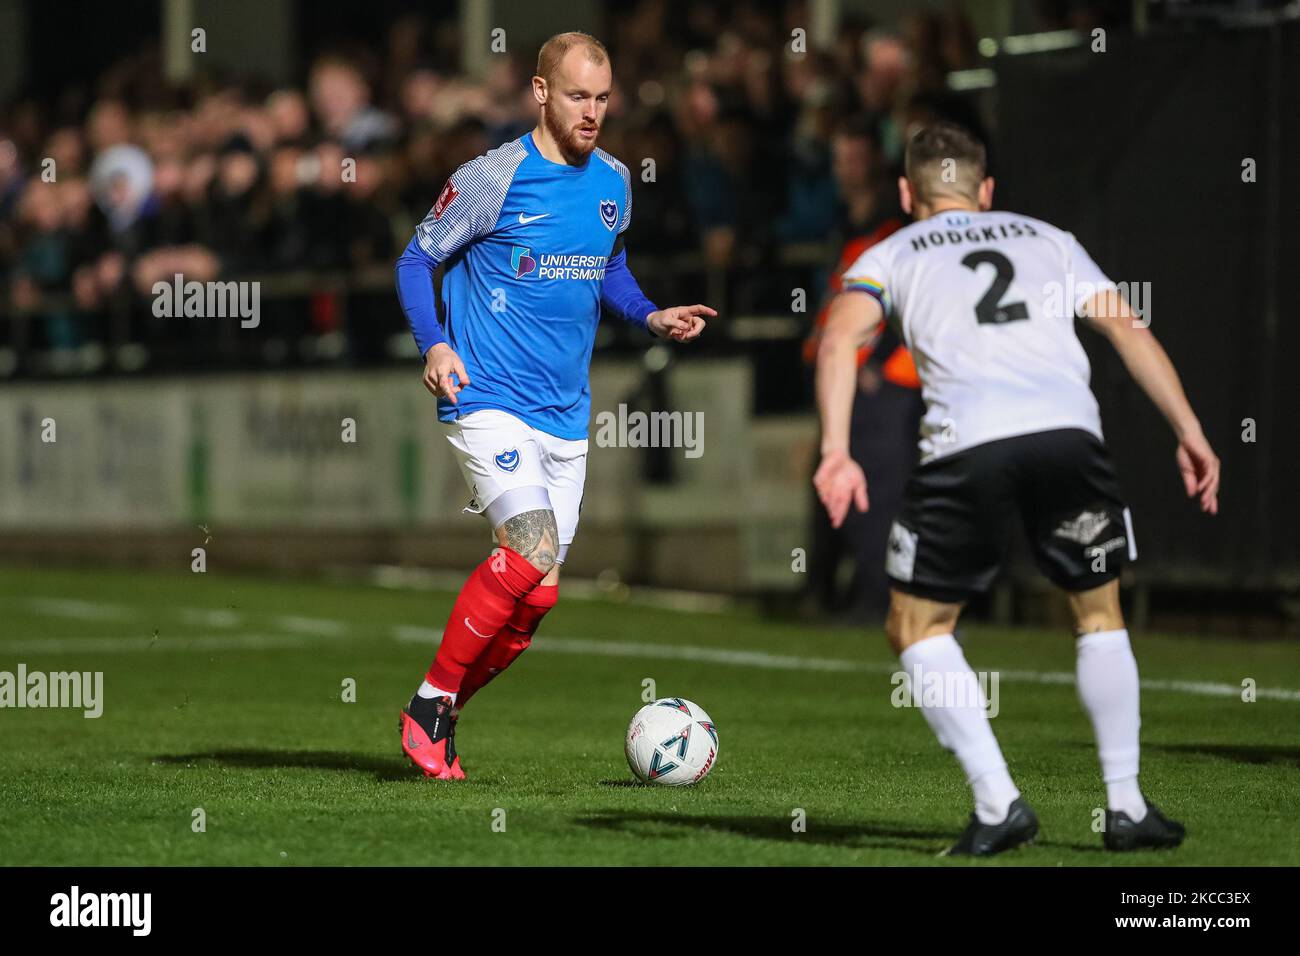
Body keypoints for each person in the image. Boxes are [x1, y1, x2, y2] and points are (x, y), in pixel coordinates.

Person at [813, 122, 1220, 856]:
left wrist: (838, 451)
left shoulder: (888, 252)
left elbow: (841, 339)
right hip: (1070, 434)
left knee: (918, 628)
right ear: (986, 190)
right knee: (1100, 614)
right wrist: (1189, 429)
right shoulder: (1049, 238)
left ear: (908, 193)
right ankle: (1125, 808)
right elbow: (1127, 328)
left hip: (969, 443)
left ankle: (999, 802)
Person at [393, 31, 715, 780]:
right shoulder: (491, 177)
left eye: (603, 98)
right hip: (489, 395)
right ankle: (430, 700)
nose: (593, 111)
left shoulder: (613, 182)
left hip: (566, 414)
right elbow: (418, 259)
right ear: (541, 93)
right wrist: (435, 346)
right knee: (530, 549)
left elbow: (611, 268)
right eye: (578, 96)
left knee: (537, 597)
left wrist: (650, 315)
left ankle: (441, 713)